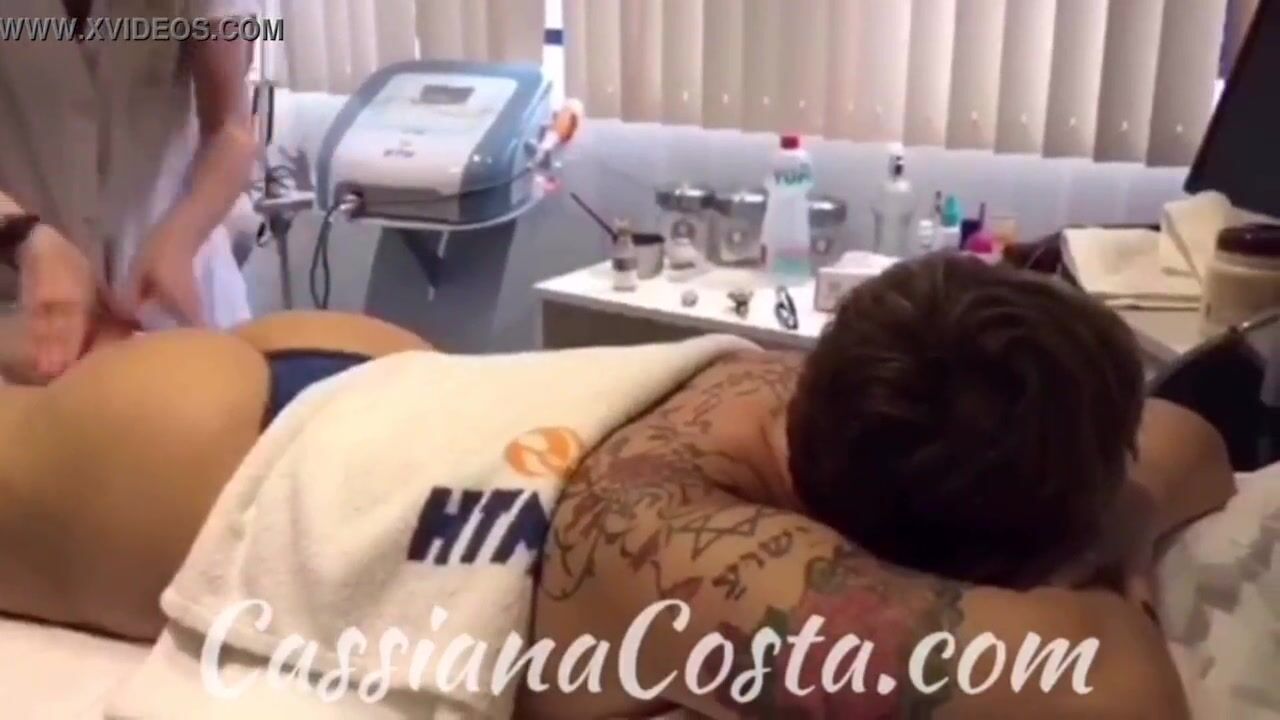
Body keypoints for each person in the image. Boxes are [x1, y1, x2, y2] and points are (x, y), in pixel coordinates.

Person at [0, 253, 1232, 718]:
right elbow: (1111, 692)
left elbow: (1189, 438)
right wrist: (1092, 538)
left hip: (371, 396)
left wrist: (1115, 508)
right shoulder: (694, 558)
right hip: (187, 468)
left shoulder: (841, 383)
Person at [0, 0, 260, 384]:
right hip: (25, 312)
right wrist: (22, 235)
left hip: (177, 302)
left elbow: (232, 130)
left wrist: (181, 236)